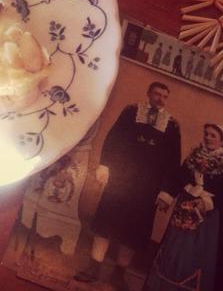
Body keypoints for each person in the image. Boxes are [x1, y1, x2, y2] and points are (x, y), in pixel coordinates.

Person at [75, 82, 181, 289]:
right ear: (148, 93)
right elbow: (113, 139)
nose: (160, 99)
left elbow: (173, 161)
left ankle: (118, 275)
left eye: (164, 96)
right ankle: (93, 268)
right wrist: (105, 165)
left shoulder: (172, 125)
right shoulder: (131, 112)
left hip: (147, 188)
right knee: (105, 223)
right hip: (121, 180)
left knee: (133, 232)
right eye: (157, 94)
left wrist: (167, 190)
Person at [145, 123, 223, 291]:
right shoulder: (192, 159)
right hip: (183, 211)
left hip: (209, 221)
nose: (208, 137)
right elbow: (177, 178)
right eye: (206, 134)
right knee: (174, 250)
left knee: (195, 255)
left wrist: (207, 203)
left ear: (222, 141)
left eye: (213, 135)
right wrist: (167, 196)